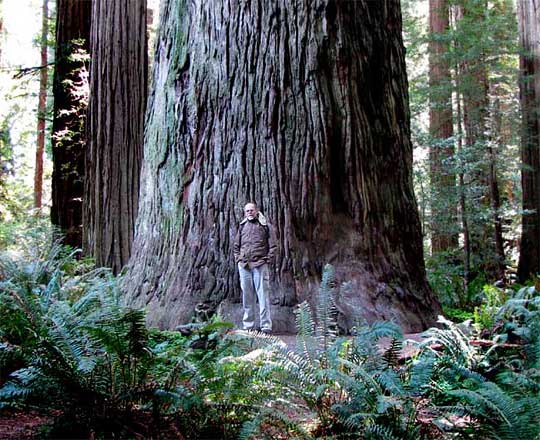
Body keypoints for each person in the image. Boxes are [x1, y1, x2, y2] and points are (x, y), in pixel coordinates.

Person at [233, 202, 276, 334]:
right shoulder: (242, 226)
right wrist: (238, 259)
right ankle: (248, 325)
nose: (249, 212)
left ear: (256, 211)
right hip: (244, 265)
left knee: (263, 295)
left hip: (259, 264)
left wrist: (266, 259)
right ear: (245, 213)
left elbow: (273, 245)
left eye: (251, 210)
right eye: (247, 211)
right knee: (247, 296)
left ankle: (266, 325)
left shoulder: (265, 226)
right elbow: (236, 245)